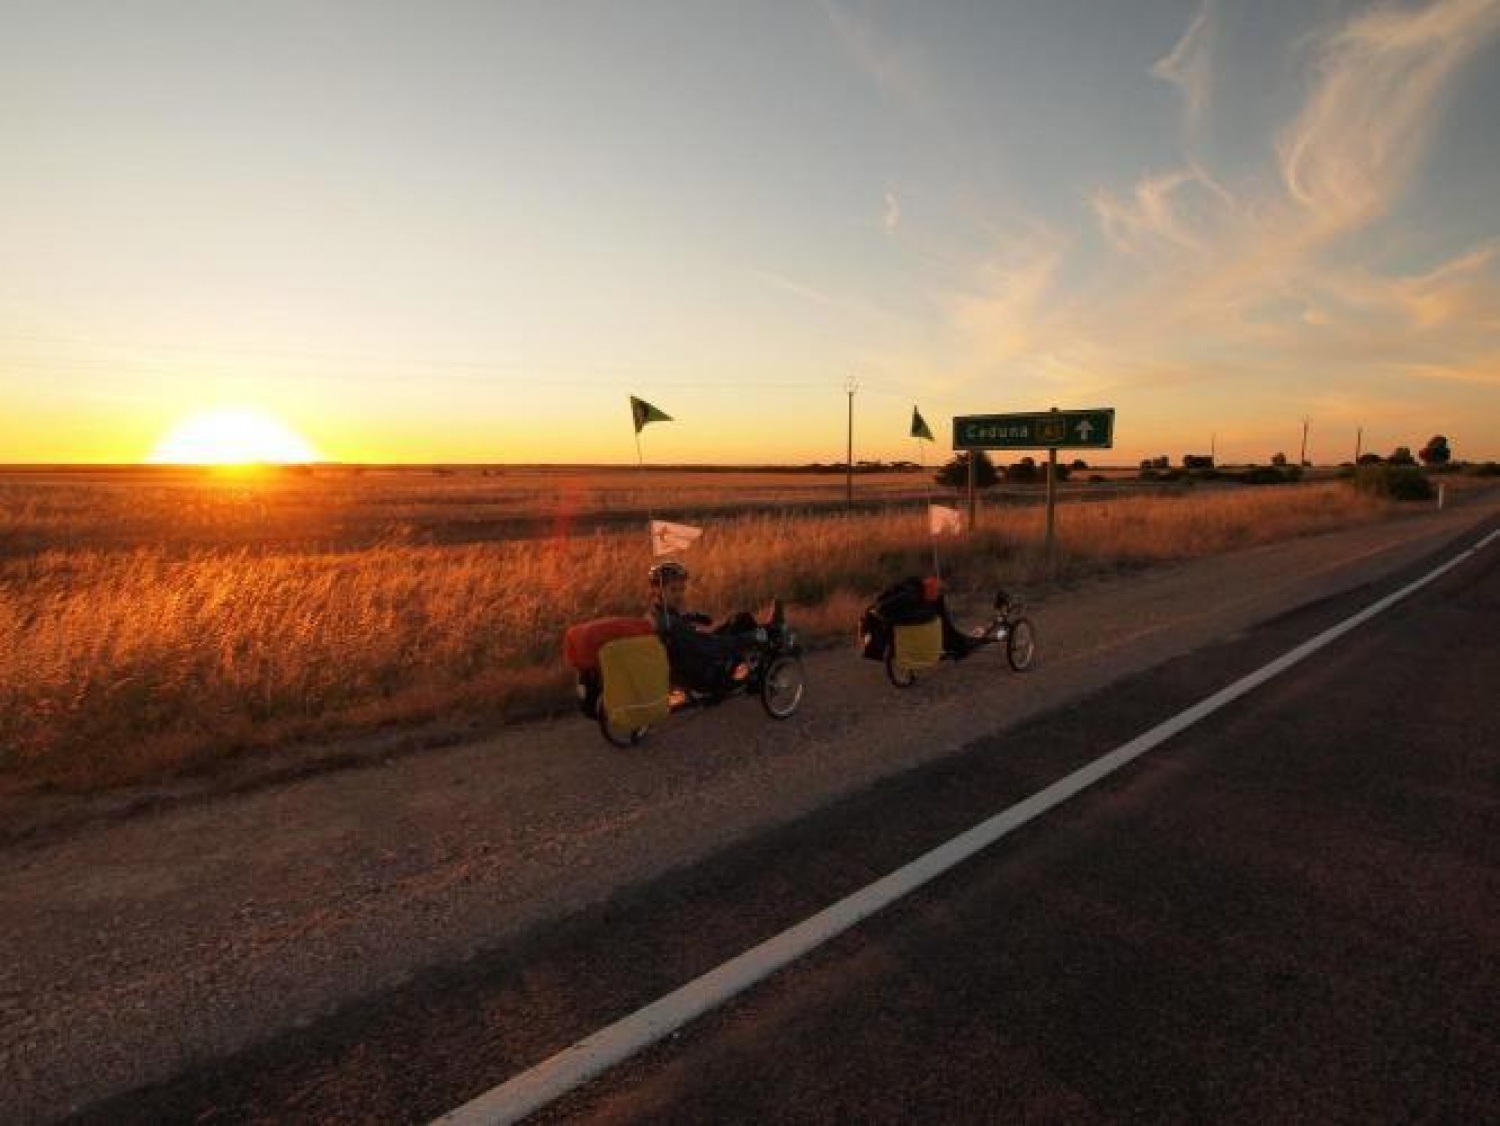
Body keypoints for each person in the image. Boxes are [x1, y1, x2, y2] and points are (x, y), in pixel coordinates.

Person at [647, 560, 783, 692]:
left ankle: (768, 637)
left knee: (740, 619)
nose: (679, 595)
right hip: (708, 677)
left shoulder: (656, 615)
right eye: (673, 590)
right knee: (742, 626)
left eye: (681, 590)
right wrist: (748, 638)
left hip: (685, 673)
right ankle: (771, 636)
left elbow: (683, 632)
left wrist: (691, 617)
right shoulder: (672, 624)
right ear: (657, 590)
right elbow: (711, 647)